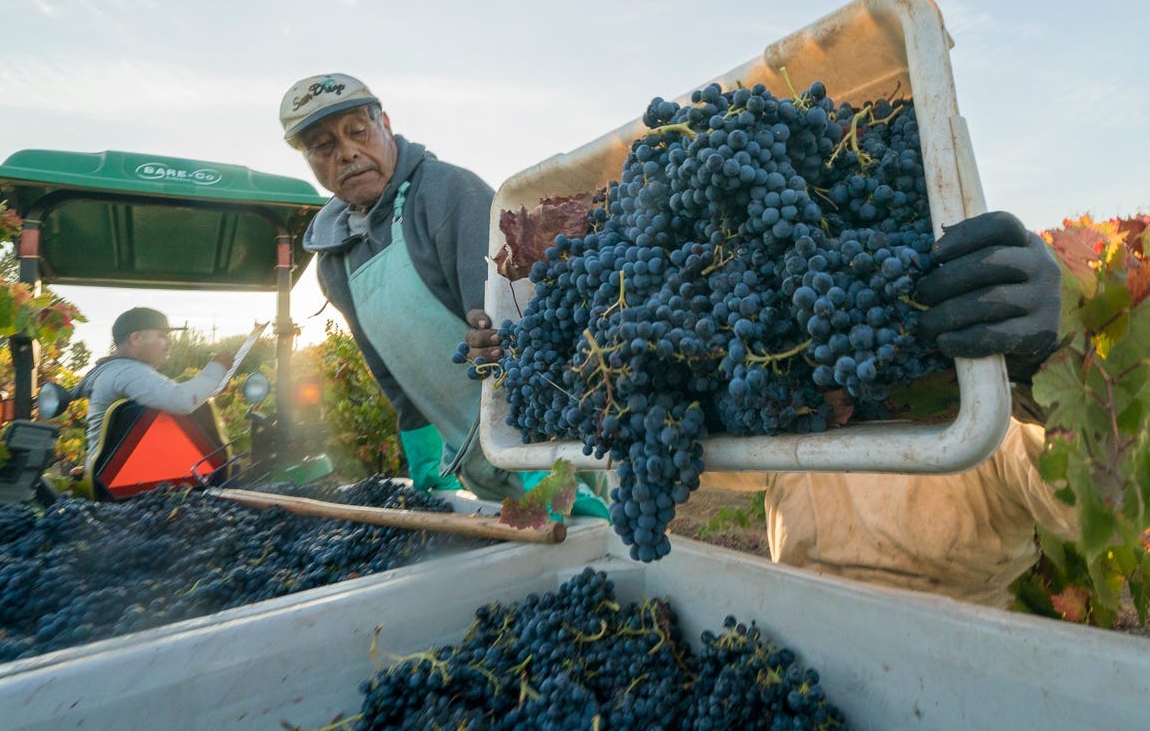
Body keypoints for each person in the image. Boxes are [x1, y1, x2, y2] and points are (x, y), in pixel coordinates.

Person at [467, 209, 1077, 607]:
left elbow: (1085, 508)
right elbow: (683, 445)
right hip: (799, 626)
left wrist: (1049, 367)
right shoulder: (788, 390)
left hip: (965, 651)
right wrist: (528, 359)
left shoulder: (984, 408)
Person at [280, 72, 608, 515]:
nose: (347, 152)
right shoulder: (333, 260)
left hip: (549, 448)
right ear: (310, 161)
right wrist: (424, 458)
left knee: (594, 550)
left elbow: (515, 336)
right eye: (323, 146)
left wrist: (540, 462)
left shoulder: (447, 194)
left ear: (386, 125)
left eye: (357, 131)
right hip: (477, 464)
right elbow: (389, 369)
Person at [76, 307, 236, 474]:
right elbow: (182, 400)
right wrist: (217, 369)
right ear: (136, 338)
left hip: (118, 476)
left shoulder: (116, 370)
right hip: (120, 481)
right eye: (162, 335)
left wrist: (209, 386)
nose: (169, 342)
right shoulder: (128, 372)